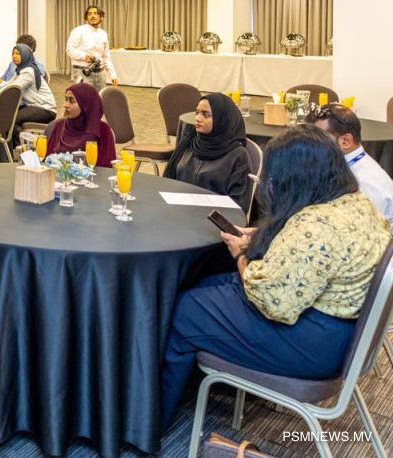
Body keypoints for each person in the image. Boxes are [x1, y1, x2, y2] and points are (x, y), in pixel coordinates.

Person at [159, 125, 391, 428]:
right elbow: (310, 255)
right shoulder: (353, 201)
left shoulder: (317, 226)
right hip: (339, 325)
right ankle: (199, 381)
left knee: (184, 310)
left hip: (315, 343)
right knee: (205, 285)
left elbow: (273, 300)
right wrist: (269, 237)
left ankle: (154, 418)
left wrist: (241, 255)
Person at [163, 93, 252, 211]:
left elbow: (238, 204)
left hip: (215, 217)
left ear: (221, 119)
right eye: (197, 112)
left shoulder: (237, 156)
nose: (198, 118)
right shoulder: (189, 144)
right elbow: (169, 181)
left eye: (206, 115)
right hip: (179, 211)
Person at [308, 104, 393, 227]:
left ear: (346, 141)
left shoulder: (364, 184)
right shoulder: (344, 166)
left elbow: (363, 233)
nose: (311, 145)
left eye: (319, 138)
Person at [0, 43, 56, 144]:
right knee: (7, 115)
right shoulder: (20, 70)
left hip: (45, 108)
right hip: (33, 105)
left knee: (11, 120)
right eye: (13, 54)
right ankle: (14, 146)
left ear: (25, 55)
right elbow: (10, 83)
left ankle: (28, 143)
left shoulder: (28, 71)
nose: (14, 56)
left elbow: (14, 88)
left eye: (17, 54)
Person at [44, 83, 116, 166]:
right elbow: (46, 161)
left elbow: (107, 167)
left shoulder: (103, 130)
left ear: (85, 104)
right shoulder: (59, 125)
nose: (66, 105)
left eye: (72, 101)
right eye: (66, 100)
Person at [66, 5, 118, 91]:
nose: (93, 16)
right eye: (90, 14)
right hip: (83, 71)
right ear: (86, 17)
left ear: (101, 17)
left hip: (100, 73)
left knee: (99, 98)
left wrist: (113, 74)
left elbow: (106, 57)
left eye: (95, 13)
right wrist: (84, 56)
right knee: (83, 98)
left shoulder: (103, 34)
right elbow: (69, 50)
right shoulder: (78, 31)